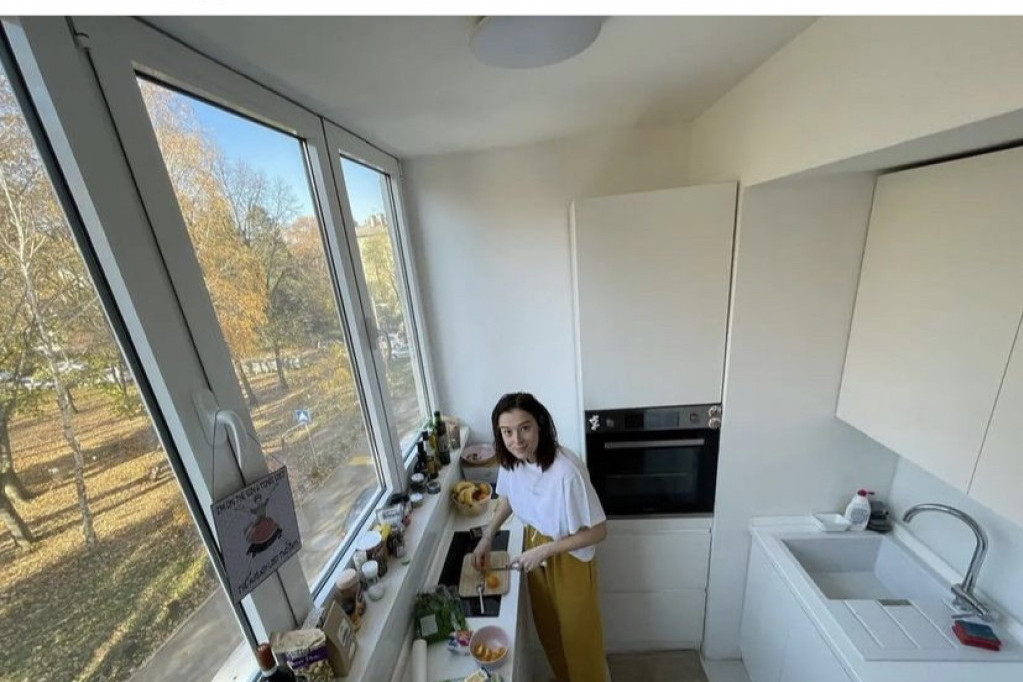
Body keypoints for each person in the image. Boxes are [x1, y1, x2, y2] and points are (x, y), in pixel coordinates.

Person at [472, 392, 608, 682]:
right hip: (534, 548)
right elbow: (509, 498)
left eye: (525, 428)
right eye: (507, 432)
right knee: (549, 629)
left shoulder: (566, 472)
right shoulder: (512, 461)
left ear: (540, 425)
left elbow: (599, 531)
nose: (517, 440)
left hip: (569, 558)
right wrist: (487, 536)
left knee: (579, 638)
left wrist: (545, 551)